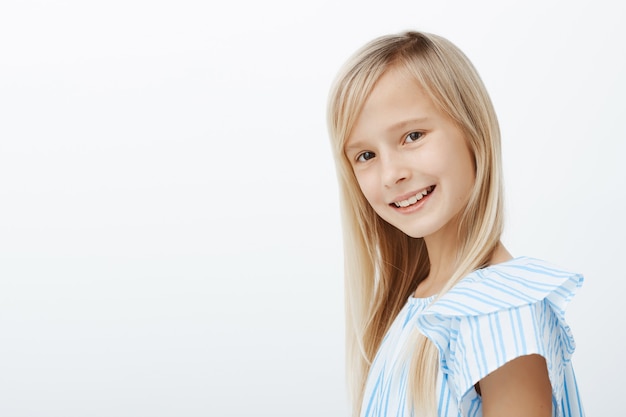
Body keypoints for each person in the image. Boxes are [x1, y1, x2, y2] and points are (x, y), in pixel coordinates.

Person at [326, 31, 584, 417]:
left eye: (412, 136)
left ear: (472, 132)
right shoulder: (418, 305)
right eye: (365, 155)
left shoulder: (497, 310)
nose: (390, 174)